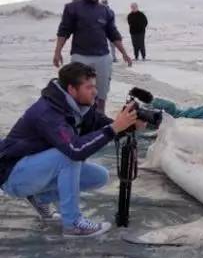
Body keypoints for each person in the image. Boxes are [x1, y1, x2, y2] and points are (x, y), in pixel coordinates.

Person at [0, 62, 141, 237]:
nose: (95, 92)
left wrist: (129, 125)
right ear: (72, 89)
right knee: (69, 156)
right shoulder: (48, 112)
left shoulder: (78, 107)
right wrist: (113, 129)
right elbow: (75, 150)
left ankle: (40, 198)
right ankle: (73, 224)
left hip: (34, 171)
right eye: (89, 87)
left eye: (94, 87)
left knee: (99, 176)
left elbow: (101, 124)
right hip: (12, 176)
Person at [53, 0, 133, 114]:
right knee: (79, 91)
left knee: (101, 92)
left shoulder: (106, 11)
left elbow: (113, 34)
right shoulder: (72, 8)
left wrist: (124, 53)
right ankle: (80, 118)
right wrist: (57, 51)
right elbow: (64, 31)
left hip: (102, 57)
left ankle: (99, 116)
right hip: (80, 56)